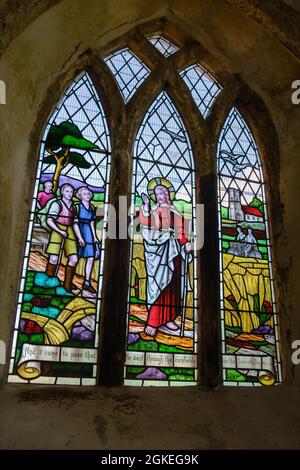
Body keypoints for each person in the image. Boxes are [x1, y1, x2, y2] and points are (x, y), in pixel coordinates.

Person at [139, 178, 192, 337]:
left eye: (164, 192)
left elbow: (181, 230)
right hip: (160, 252)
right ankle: (153, 322)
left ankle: (168, 319)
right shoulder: (154, 210)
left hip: (174, 252)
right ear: (154, 196)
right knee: (160, 285)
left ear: (168, 194)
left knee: (172, 285)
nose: (161, 194)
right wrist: (146, 207)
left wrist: (186, 243)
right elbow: (146, 223)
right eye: (158, 193)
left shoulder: (175, 210)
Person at [45, 183, 84, 291]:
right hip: (57, 229)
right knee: (53, 258)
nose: (69, 194)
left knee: (74, 259)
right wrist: (59, 231)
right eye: (67, 191)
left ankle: (67, 285)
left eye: (71, 192)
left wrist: (80, 237)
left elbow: (75, 223)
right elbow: (49, 220)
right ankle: (48, 282)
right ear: (62, 192)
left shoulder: (74, 206)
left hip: (70, 230)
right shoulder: (56, 204)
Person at [74, 186, 99, 294]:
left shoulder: (92, 207)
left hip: (88, 233)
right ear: (80, 196)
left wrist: (95, 237)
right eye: (84, 194)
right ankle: (70, 280)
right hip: (79, 232)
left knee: (90, 258)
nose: (87, 195)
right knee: (76, 257)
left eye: (88, 193)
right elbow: (74, 222)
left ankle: (87, 282)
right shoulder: (77, 207)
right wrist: (79, 237)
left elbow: (92, 223)